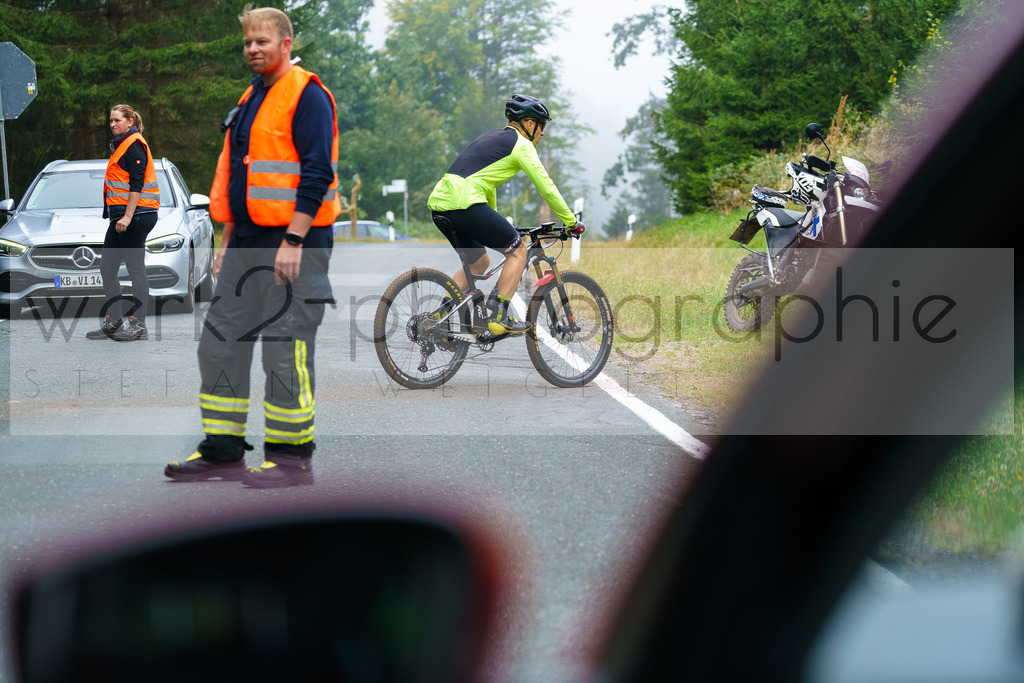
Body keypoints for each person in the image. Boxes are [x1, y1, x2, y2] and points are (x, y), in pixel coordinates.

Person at [164, 6, 340, 488]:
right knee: (219, 343)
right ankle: (222, 452)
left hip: (294, 245)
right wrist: (226, 240)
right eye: (247, 43)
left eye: (262, 41)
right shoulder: (250, 99)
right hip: (246, 243)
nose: (253, 49)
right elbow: (239, 179)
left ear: (285, 43)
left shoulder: (307, 96)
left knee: (284, 351)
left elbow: (317, 173)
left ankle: (290, 460)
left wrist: (294, 239)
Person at [427, 94, 583, 335]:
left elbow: (485, 183)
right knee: (519, 251)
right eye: (542, 126)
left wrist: (493, 219)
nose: (542, 133)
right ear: (530, 124)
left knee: (479, 264)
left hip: (440, 205)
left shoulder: (492, 137)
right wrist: (571, 222)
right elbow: (546, 186)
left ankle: (438, 319)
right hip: (466, 204)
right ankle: (499, 317)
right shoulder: (522, 145)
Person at [85, 104, 160, 342]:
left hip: (136, 216)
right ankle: (114, 322)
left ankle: (138, 325)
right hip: (122, 217)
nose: (113, 124)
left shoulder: (135, 144)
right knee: (107, 268)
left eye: (117, 120)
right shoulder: (121, 145)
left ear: (130, 122)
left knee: (136, 268)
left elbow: (137, 184)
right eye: (110, 121)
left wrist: (128, 216)